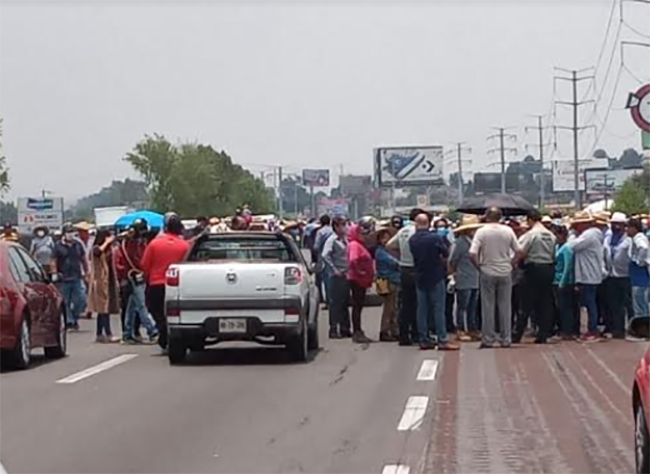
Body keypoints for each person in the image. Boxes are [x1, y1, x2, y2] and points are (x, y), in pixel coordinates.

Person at [469, 207, 523, 348]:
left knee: (488, 306)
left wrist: (479, 267)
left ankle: (488, 338)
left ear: (487, 217)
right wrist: (511, 263)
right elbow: (519, 251)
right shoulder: (508, 231)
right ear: (500, 217)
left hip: (487, 270)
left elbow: (473, 253)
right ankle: (506, 338)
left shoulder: (481, 231)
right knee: (505, 306)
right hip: (505, 271)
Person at [141, 213, 190, 350]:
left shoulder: (154, 244)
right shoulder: (184, 246)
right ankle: (166, 332)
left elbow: (145, 265)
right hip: (175, 286)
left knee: (156, 312)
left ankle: (162, 329)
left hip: (156, 284)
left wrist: (147, 279)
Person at [410, 213, 458, 351]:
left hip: (419, 276)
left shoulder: (413, 239)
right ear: (428, 223)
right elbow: (445, 253)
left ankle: (423, 339)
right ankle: (442, 339)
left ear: (416, 224)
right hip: (435, 276)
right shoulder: (435, 238)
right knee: (438, 309)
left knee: (422, 309)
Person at [515, 209, 556, 344]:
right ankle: (543, 334)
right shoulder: (550, 235)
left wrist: (513, 263)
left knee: (526, 303)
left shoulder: (531, 234)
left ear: (530, 220)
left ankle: (517, 334)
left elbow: (520, 251)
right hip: (548, 268)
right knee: (545, 302)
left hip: (533, 268)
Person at [114, 219, 158, 344]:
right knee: (142, 305)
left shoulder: (139, 243)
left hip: (136, 275)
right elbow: (138, 260)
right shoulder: (129, 244)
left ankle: (127, 333)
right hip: (134, 275)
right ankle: (152, 331)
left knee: (132, 306)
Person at [387, 208, 423, 346]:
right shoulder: (418, 232)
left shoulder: (403, 231)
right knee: (418, 303)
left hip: (404, 268)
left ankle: (404, 334)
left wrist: (400, 256)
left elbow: (389, 245)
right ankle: (415, 333)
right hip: (416, 268)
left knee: (406, 304)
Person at [569, 211, 605, 343]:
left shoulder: (589, 235)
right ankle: (592, 329)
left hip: (588, 274)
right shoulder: (594, 234)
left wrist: (572, 235)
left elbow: (572, 246)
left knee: (590, 303)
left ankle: (593, 330)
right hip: (590, 274)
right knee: (590, 303)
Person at [449, 215, 482, 342]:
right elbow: (452, 261)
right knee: (462, 306)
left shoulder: (475, 242)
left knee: (472, 307)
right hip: (463, 278)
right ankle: (460, 329)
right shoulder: (459, 243)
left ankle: (472, 329)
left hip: (475, 278)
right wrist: (453, 276)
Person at [52, 224, 89, 330]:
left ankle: (74, 316)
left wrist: (87, 272)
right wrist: (54, 272)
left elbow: (83, 259)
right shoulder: (58, 246)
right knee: (65, 302)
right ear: (64, 234)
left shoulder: (78, 244)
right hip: (64, 278)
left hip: (77, 277)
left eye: (72, 232)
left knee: (81, 300)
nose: (70, 234)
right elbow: (53, 260)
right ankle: (70, 321)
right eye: (68, 232)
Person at [87, 229, 121, 343]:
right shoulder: (96, 248)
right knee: (103, 309)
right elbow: (97, 252)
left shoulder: (109, 249)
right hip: (100, 281)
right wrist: (106, 242)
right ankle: (108, 333)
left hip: (108, 280)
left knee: (104, 309)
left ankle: (99, 334)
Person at [603, 212, 633, 339]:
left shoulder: (628, 240)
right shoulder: (608, 239)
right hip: (610, 276)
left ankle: (631, 328)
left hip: (624, 275)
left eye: (619, 224)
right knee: (613, 304)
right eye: (614, 224)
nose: (616, 227)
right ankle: (616, 328)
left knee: (627, 304)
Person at [322, 216, 351, 339]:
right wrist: (334, 269)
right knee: (335, 304)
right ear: (336, 226)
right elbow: (325, 255)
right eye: (342, 225)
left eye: (345, 224)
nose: (344, 227)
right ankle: (333, 329)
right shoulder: (332, 240)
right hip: (336, 276)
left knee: (345, 302)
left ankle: (345, 328)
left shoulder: (346, 239)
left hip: (346, 274)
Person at [347, 218, 375, 344]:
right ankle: (357, 332)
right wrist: (360, 271)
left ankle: (358, 331)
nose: (363, 236)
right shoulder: (354, 245)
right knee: (357, 306)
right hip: (357, 280)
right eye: (360, 233)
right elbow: (353, 260)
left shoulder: (359, 245)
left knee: (359, 306)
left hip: (361, 280)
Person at [375, 228, 401, 342]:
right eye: (384, 238)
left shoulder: (388, 251)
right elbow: (394, 263)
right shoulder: (380, 252)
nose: (387, 240)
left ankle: (394, 330)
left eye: (388, 237)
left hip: (393, 280)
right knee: (388, 308)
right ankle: (384, 331)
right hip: (386, 281)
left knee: (394, 308)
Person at [554, 225, 577, 340]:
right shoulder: (557, 247)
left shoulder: (567, 248)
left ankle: (567, 330)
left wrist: (562, 282)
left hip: (565, 282)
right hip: (555, 279)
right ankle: (561, 328)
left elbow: (568, 266)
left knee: (566, 308)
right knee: (559, 307)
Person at [627, 218, 650, 322]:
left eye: (629, 227)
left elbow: (643, 248)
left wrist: (639, 261)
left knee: (640, 303)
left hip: (639, 274)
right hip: (638, 274)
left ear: (634, 228)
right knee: (641, 302)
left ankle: (643, 329)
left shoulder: (638, 238)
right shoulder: (637, 238)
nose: (627, 230)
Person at [313, 215, 333, 306]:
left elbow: (316, 246)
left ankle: (327, 300)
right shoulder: (333, 231)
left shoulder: (320, 232)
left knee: (325, 279)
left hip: (323, 257)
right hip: (335, 257)